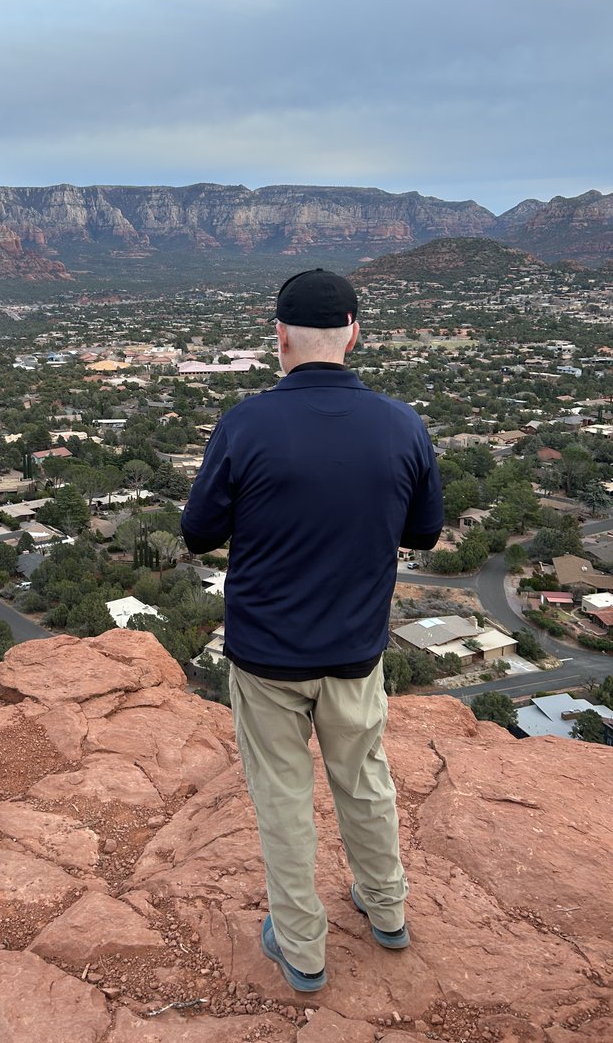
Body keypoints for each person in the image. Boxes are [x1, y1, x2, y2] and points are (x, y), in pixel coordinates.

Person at [180, 269, 443, 993]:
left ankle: (302, 949)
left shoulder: (246, 424)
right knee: (364, 780)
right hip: (355, 650)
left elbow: (198, 532)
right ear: (354, 332)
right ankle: (386, 909)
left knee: (284, 799)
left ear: (281, 336)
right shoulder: (402, 424)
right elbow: (425, 532)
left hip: (266, 656)